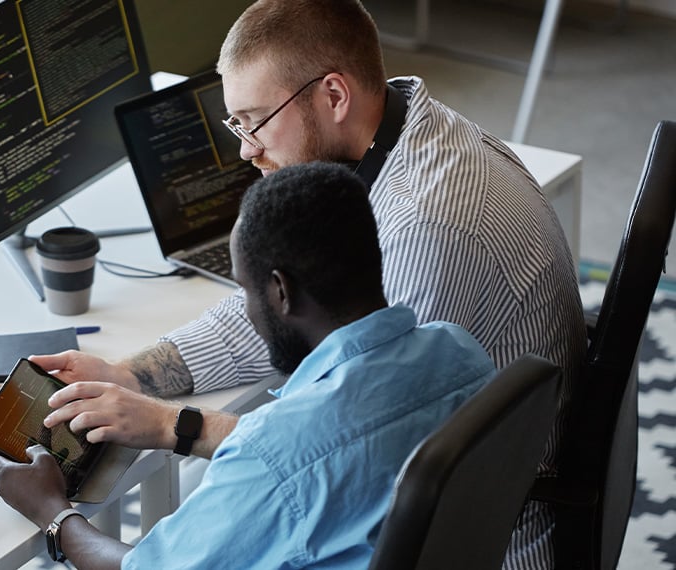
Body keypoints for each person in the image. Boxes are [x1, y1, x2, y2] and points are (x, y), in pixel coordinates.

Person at [31, 1, 585, 567]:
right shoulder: (398, 138)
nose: (246, 148)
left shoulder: (426, 223)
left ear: (335, 96)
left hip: (495, 542)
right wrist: (130, 372)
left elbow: (343, 441)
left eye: (255, 120)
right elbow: (307, 315)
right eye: (236, 124)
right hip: (459, 506)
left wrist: (165, 426)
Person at [0, 163, 496, 569]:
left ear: (280, 290)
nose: (246, 307)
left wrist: (51, 512)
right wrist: (175, 423)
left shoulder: (273, 456)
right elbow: (334, 446)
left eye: (244, 288)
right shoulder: (460, 353)